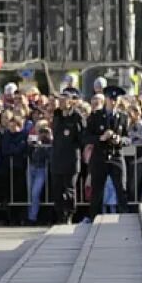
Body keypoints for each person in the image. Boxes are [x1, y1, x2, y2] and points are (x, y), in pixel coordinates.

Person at [85, 86, 130, 222]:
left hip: (116, 155)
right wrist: (101, 138)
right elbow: (86, 137)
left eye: (116, 99)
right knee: (97, 190)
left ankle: (125, 217)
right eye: (111, 99)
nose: (113, 101)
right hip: (100, 156)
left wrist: (119, 139)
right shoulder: (95, 116)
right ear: (106, 99)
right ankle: (94, 217)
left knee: (121, 188)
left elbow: (127, 138)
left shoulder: (123, 116)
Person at [51, 88, 85, 223]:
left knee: (69, 189)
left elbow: (82, 137)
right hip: (57, 157)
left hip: (71, 158)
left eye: (64, 100)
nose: (61, 102)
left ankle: (69, 214)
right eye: (60, 100)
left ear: (71, 101)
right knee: (57, 189)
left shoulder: (77, 117)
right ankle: (59, 215)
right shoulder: (57, 115)